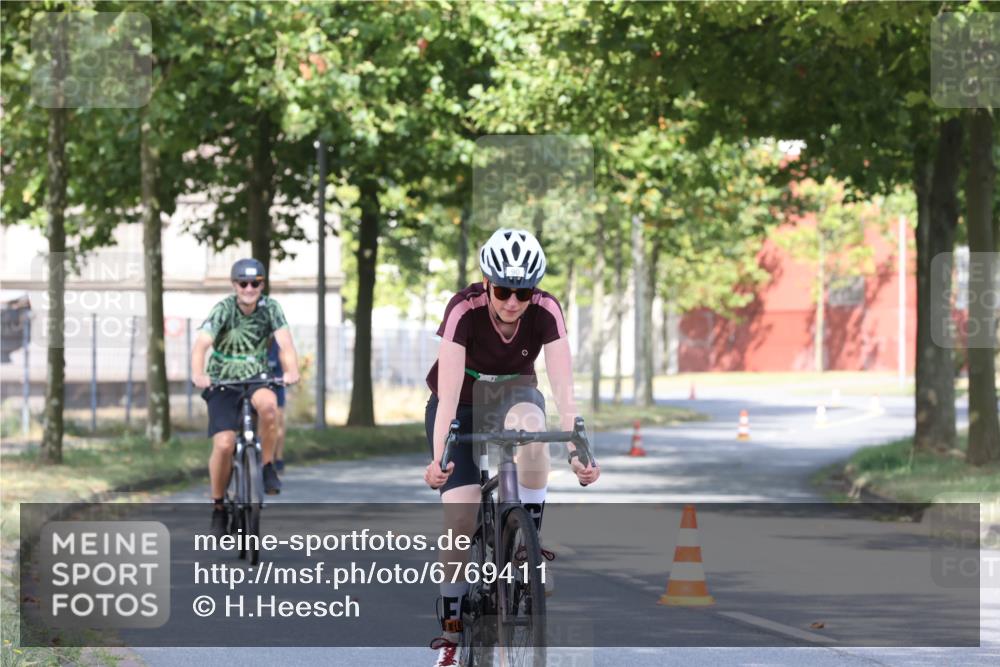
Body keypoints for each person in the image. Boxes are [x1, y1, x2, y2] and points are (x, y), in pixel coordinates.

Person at [423, 228, 600, 666]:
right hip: (461, 405)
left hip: (516, 397)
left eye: (523, 292)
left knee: (533, 432)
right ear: (487, 283)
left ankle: (526, 548)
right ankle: (450, 629)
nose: (512, 302)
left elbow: (563, 390)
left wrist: (579, 449)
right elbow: (446, 397)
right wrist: (438, 458)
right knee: (460, 515)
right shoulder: (463, 310)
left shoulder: (546, 310)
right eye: (503, 290)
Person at [191, 259, 300, 538]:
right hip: (223, 381)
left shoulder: (271, 308)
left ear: (262, 284)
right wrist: (198, 374)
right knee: (225, 443)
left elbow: (285, 344)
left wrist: (291, 370)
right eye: (243, 283)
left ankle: (266, 466)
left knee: (270, 408)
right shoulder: (223, 309)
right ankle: (218, 507)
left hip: (257, 377)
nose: (249, 288)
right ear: (234, 285)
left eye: (256, 283)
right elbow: (201, 345)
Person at [266, 337, 288, 472]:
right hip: (257, 387)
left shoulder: (278, 345)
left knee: (278, 422)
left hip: (276, 387)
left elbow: (286, 366)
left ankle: (278, 458)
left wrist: (288, 375)